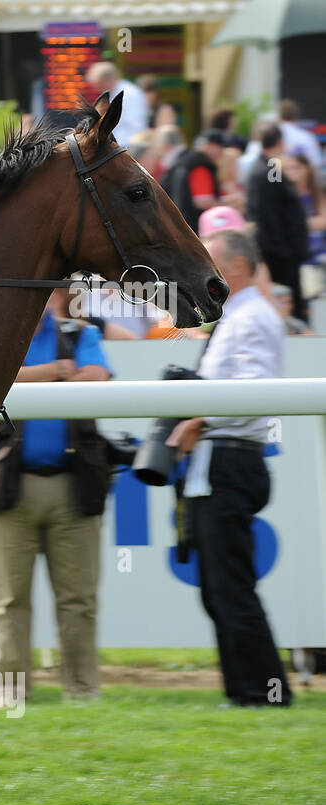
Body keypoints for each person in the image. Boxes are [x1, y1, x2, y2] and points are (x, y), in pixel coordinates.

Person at [167, 229, 291, 707]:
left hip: (230, 460)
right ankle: (245, 691)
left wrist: (198, 420)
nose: (203, 269)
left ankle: (263, 692)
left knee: (231, 586)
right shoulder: (238, 316)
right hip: (218, 460)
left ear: (236, 266)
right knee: (219, 588)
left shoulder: (252, 317)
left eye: (212, 260)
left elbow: (252, 393)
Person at [0, 289, 113, 701]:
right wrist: (57, 370)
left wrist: (30, 375)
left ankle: (82, 693)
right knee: (7, 600)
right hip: (5, 488)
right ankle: (9, 694)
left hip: (74, 488)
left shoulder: (80, 334)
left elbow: (98, 377)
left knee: (78, 600)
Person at [244, 125, 311, 321]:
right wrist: (283, 249)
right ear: (279, 143)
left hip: (276, 250)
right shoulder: (269, 169)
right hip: (278, 253)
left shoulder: (264, 167)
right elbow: (272, 213)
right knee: (287, 303)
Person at [161, 130, 225, 234]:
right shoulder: (200, 165)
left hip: (177, 223)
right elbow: (202, 202)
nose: (221, 152)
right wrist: (227, 204)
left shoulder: (184, 160)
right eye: (220, 147)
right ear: (210, 145)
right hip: (193, 227)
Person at [84, 61, 148, 147]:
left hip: (128, 146)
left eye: (99, 84)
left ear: (109, 79)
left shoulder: (130, 94)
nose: (97, 89)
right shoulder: (113, 94)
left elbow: (136, 127)